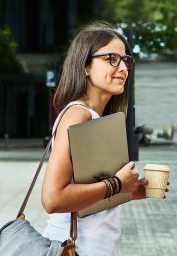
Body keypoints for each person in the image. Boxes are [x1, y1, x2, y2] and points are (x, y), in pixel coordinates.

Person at [40, 22, 167, 255]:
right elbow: (53, 199)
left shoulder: (97, 117)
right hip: (73, 249)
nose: (123, 68)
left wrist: (129, 191)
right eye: (111, 59)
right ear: (85, 66)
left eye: (125, 60)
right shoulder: (78, 115)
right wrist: (117, 184)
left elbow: (87, 196)